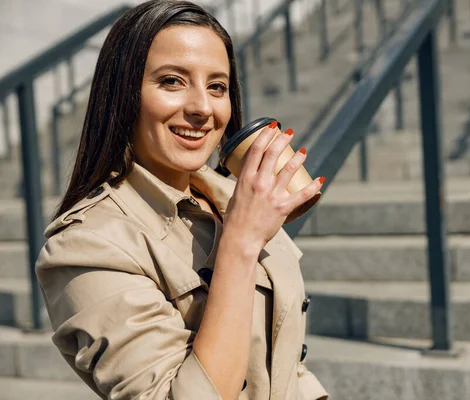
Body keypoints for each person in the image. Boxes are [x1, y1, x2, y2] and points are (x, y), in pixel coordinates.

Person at [35, 1, 328, 399]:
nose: (202, 108)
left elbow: (285, 363)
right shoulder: (85, 245)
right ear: (124, 94)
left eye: (217, 86)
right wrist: (240, 245)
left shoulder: (231, 201)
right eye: (172, 81)